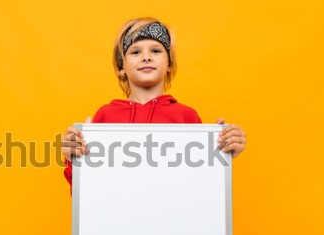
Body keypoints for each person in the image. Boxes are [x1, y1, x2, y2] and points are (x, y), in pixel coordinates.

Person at [62, 17, 246, 189]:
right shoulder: (105, 116)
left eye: (156, 50)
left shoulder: (186, 116)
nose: (146, 57)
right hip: (117, 220)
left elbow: (202, 185)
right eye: (135, 51)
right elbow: (86, 191)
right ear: (121, 67)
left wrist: (223, 149)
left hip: (172, 220)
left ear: (170, 65)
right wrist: (72, 157)